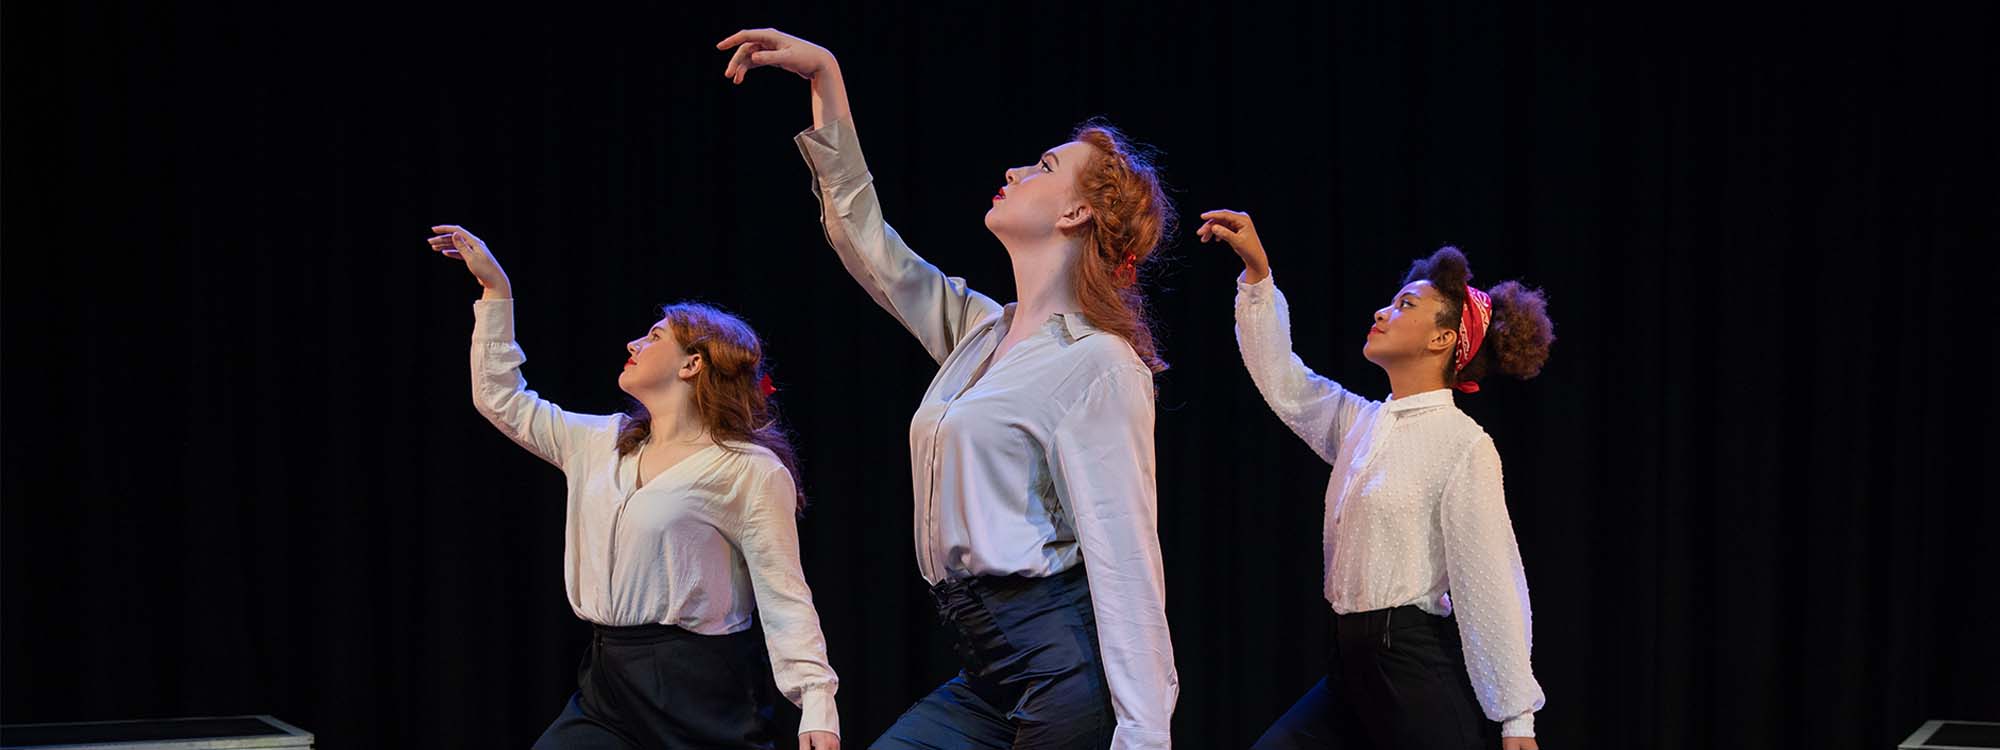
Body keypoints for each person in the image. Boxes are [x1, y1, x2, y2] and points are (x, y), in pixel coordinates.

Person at [717, 28, 1178, 749]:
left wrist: (1145, 734)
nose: (1015, 170)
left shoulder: (1099, 363)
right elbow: (870, 247)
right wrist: (827, 79)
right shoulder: (982, 332)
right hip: (986, 666)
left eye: (1044, 166)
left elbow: (1127, 558)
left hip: (1062, 670)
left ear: (1075, 213)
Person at [427, 224, 842, 750]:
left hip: (699, 688)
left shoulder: (747, 469)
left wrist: (816, 701)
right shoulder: (600, 443)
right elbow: (501, 399)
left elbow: (783, 592)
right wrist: (496, 292)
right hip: (608, 681)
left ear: (692, 364)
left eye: (655, 337)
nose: (634, 343)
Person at [1195, 210, 1550, 750]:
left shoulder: (1463, 444)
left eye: (1406, 306)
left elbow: (1491, 579)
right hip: (1350, 670)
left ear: (1443, 338)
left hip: (1412, 672)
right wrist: (1258, 278)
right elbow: (1286, 384)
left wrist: (1516, 716)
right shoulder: (1362, 423)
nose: (1383, 312)